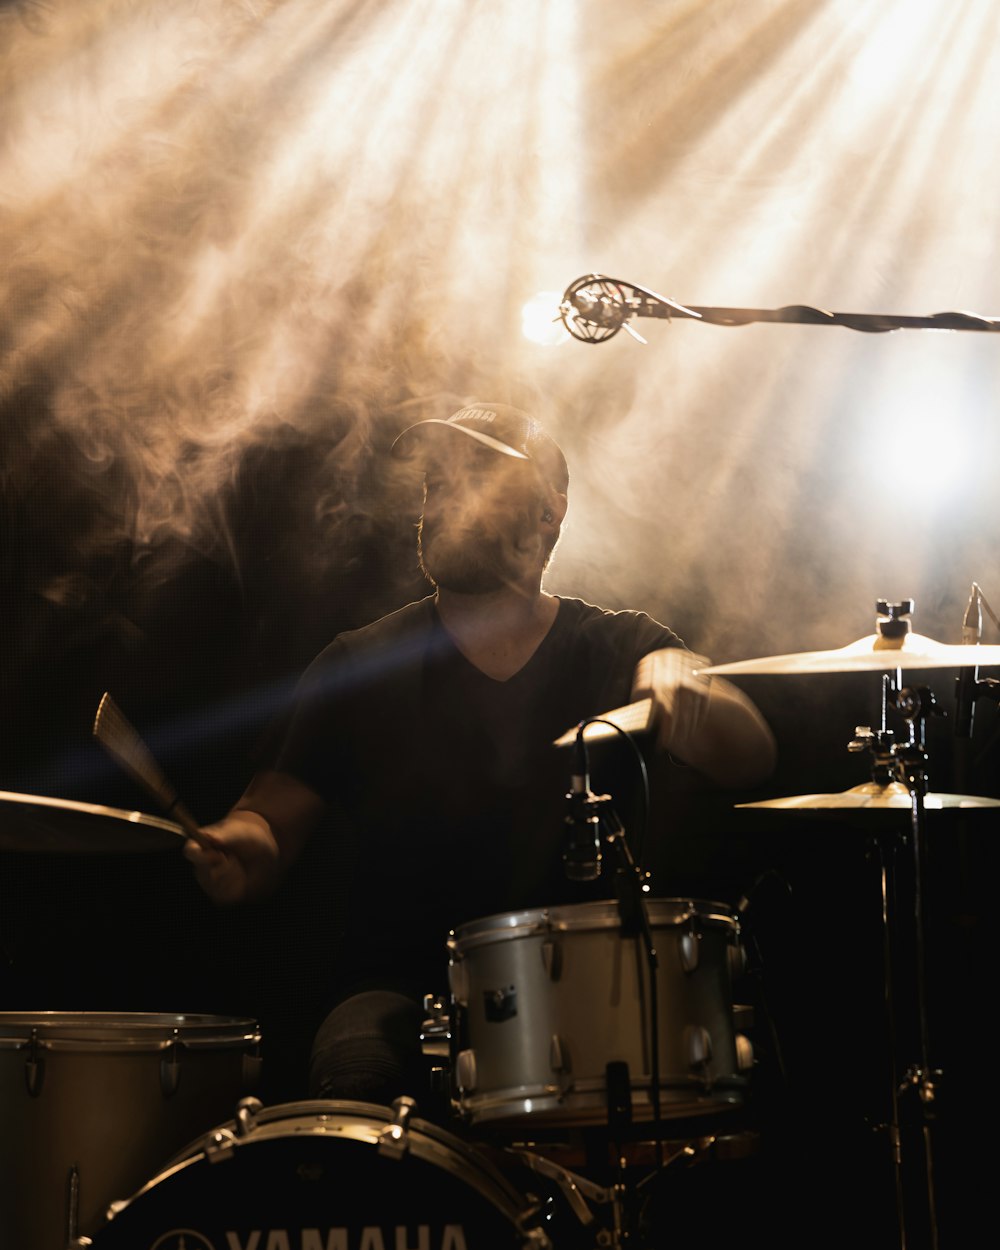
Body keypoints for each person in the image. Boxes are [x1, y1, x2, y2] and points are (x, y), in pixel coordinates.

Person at [185, 401, 776, 1107]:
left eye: (480, 482)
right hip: (404, 990)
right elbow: (269, 822)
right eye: (437, 483)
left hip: (588, 992)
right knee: (354, 1077)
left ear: (548, 516)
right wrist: (239, 846)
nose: (444, 502)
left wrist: (689, 696)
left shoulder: (621, 647)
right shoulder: (359, 663)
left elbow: (751, 757)